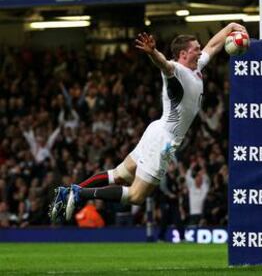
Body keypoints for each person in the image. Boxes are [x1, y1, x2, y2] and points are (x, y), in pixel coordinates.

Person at [50, 22, 248, 223]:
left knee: (120, 175)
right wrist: (153, 52)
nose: (200, 52)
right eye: (196, 50)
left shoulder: (195, 67)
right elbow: (165, 65)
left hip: (156, 129)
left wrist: (232, 26)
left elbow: (213, 46)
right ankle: (78, 194)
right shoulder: (178, 71)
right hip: (164, 141)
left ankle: (67, 192)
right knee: (136, 196)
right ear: (183, 54)